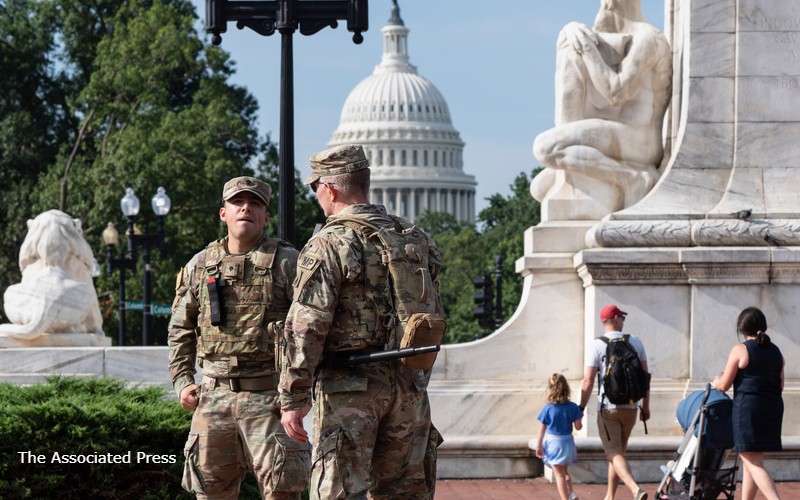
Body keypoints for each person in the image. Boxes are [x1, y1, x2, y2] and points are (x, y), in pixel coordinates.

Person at [279, 144, 444, 499]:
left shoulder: (330, 242)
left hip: (348, 386)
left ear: (330, 188)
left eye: (316, 188)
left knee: (339, 491)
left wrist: (293, 395)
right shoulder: (415, 239)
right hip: (408, 385)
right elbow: (433, 312)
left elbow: (307, 325)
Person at [168, 176, 311, 498]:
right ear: (223, 213)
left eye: (255, 204)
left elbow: (310, 330)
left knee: (283, 492)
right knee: (210, 493)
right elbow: (180, 328)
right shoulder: (201, 265)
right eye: (237, 202)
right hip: (213, 398)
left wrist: (298, 394)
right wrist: (183, 381)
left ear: (266, 217)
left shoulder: (288, 263)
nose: (246, 208)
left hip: (270, 399)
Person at [532, 0, 671, 217]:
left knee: (545, 148)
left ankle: (631, 178)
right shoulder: (631, 35)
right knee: (539, 187)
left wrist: (586, 47)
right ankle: (625, 175)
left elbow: (616, 92)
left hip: (639, 141)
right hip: (621, 136)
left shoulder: (649, 38)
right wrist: (571, 31)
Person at [712, 306, 784, 500]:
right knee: (752, 461)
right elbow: (780, 385)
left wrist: (717, 381)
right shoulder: (777, 352)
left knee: (751, 462)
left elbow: (724, 386)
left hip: (748, 409)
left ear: (742, 329)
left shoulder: (740, 349)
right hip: (772, 408)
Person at [579, 304, 650, 500]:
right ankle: (610, 496)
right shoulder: (635, 341)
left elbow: (588, 381)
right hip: (631, 407)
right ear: (616, 319)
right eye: (622, 318)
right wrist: (646, 406)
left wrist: (581, 408)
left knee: (612, 453)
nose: (623, 321)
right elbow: (645, 378)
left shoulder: (596, 345)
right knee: (618, 454)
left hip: (608, 408)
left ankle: (635, 489)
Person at [535, 373, 584, 500]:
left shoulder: (548, 408)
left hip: (554, 443)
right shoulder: (573, 407)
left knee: (559, 475)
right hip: (568, 442)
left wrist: (538, 445)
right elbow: (578, 427)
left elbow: (542, 429)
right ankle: (571, 493)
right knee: (564, 471)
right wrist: (579, 415)